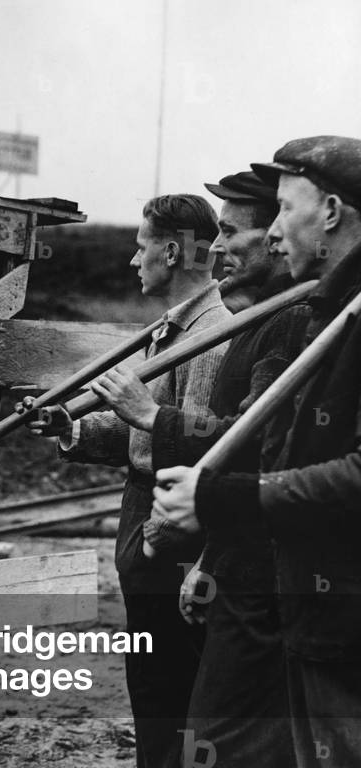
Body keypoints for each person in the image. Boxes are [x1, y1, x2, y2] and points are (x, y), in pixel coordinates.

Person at [154, 136, 361, 767]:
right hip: (309, 614)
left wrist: (219, 498)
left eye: (283, 210)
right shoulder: (327, 310)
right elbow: (281, 454)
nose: (273, 233)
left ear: (328, 212)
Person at [25, 194, 228, 768]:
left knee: (172, 688)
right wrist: (75, 429)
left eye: (141, 247)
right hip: (145, 520)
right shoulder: (170, 329)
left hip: (171, 531)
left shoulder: (212, 336)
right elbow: (146, 431)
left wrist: (166, 548)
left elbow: (205, 450)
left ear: (171, 250)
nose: (133, 261)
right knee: (153, 684)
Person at [140, 172, 307, 766]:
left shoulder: (289, 322)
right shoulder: (256, 319)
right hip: (235, 556)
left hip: (260, 573)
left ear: (277, 238)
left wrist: (151, 417)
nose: (213, 247)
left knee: (222, 734)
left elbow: (254, 449)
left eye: (232, 232)